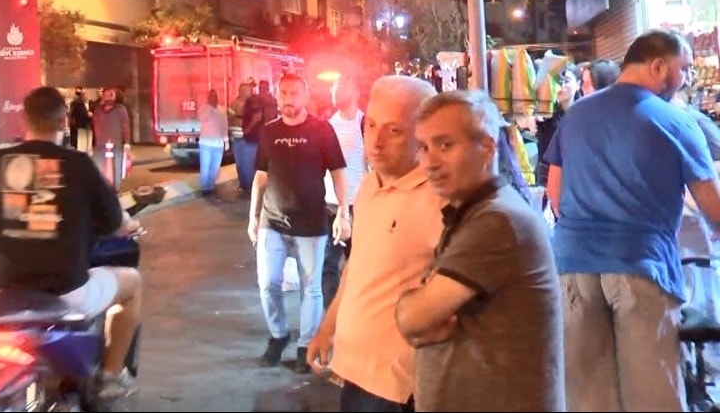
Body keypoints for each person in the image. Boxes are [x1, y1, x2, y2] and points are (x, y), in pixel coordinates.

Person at [548, 30, 720, 411]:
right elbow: (714, 208)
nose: (687, 79)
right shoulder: (676, 122)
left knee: (588, 398)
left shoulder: (576, 115)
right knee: (652, 396)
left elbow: (555, 193)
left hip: (572, 267)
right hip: (640, 266)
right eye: (684, 69)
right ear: (658, 67)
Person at [0, 86, 142, 401]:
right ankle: (110, 375)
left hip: (9, 288)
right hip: (67, 290)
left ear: (24, 121)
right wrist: (127, 225)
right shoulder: (78, 163)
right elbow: (113, 221)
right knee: (133, 284)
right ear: (64, 122)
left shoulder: (1, 161)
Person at [397, 89, 564, 412]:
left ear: (487, 147)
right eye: (424, 147)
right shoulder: (473, 212)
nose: (429, 162)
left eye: (445, 145)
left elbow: (413, 319)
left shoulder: (497, 221)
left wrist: (411, 308)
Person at [307, 75, 443, 412]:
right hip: (354, 370)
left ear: (423, 134)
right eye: (370, 125)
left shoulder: (442, 200)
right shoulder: (369, 185)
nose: (376, 142)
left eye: (394, 130)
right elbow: (357, 265)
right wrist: (328, 327)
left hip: (397, 385)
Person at [248, 72, 347, 372]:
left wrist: (343, 212)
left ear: (305, 97)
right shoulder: (269, 131)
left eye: (294, 93)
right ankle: (278, 335)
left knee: (311, 287)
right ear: (277, 96)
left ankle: (306, 345)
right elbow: (261, 177)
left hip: (311, 223)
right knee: (268, 284)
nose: (288, 98)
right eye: (283, 93)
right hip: (272, 220)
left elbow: (338, 173)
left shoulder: (322, 130)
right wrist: (253, 217)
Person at [198, 89, 228, 198]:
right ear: (208, 98)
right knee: (205, 167)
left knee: (215, 168)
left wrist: (226, 141)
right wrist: (210, 108)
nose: (214, 98)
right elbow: (203, 119)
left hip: (218, 144)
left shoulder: (222, 110)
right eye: (211, 96)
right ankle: (204, 188)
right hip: (206, 143)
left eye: (215, 96)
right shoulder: (203, 109)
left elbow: (224, 126)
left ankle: (210, 187)